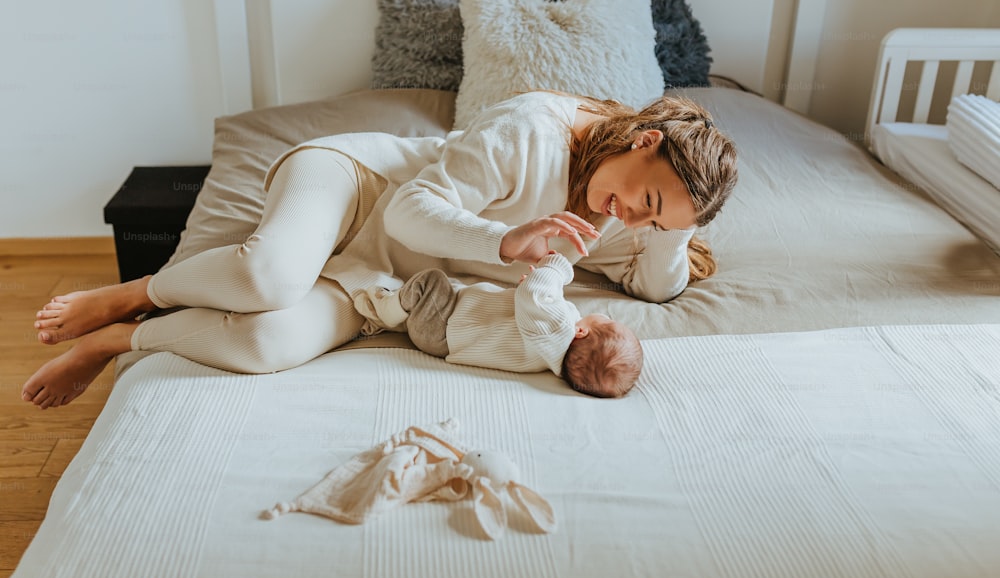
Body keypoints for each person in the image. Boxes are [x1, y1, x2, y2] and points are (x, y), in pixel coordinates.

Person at [23, 90, 737, 409]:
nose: (633, 221)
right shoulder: (534, 131)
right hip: (360, 189)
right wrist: (503, 239)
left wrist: (679, 223)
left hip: (388, 287)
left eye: (655, 223)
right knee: (271, 275)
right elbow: (407, 209)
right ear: (644, 142)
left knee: (267, 342)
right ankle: (139, 291)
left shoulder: (622, 215)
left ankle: (119, 340)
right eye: (647, 202)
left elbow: (656, 287)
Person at [356, 251, 642, 398]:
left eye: (608, 320)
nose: (603, 315)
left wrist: (555, 267)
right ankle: (400, 320)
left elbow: (536, 297)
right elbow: (530, 305)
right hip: (442, 338)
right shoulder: (550, 355)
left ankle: (385, 311)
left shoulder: (559, 329)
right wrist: (529, 289)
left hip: (443, 323)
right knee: (439, 294)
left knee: (431, 282)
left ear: (581, 332)